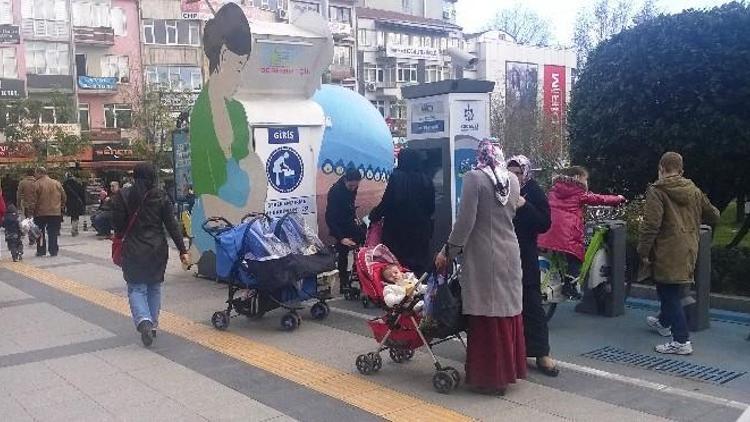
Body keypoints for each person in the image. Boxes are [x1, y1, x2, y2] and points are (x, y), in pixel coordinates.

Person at [435, 140, 526, 396]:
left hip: (485, 256)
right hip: (510, 251)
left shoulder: (475, 178)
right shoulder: (512, 180)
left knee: (487, 316)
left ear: (480, 157)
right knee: (506, 313)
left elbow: (465, 222)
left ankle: (490, 378)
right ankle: (508, 372)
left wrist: (447, 251)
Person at [189, 3, 266, 265]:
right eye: (238, 67)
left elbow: (253, 163)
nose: (240, 79)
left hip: (246, 223)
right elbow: (207, 190)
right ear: (222, 56)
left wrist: (252, 210)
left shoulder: (237, 111)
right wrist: (244, 217)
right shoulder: (201, 117)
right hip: (219, 230)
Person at [638, 152, 719, 355]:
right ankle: (663, 322)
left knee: (668, 293)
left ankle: (681, 340)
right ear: (681, 171)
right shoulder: (694, 190)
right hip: (690, 247)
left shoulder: (657, 190)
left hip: (667, 249)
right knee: (671, 289)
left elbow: (651, 225)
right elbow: (714, 215)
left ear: (661, 168)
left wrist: (644, 250)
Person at [112, 163, 189, 347]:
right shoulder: (160, 196)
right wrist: (182, 250)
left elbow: (118, 225)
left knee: (136, 288)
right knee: (154, 287)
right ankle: (153, 325)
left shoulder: (123, 195)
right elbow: (172, 225)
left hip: (133, 249)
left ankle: (144, 321)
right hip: (157, 250)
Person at [538, 166, 626, 299]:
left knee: (560, 255)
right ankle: (570, 285)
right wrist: (618, 199)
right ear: (578, 177)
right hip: (566, 234)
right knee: (577, 257)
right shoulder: (578, 193)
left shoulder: (554, 190)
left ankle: (559, 280)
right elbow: (599, 199)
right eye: (586, 179)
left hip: (547, 231)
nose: (586, 182)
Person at [507, 155, 558, 377]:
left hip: (525, 255)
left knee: (532, 304)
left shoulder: (533, 190)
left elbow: (544, 223)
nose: (514, 177)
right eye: (511, 172)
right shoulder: (501, 189)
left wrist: (525, 206)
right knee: (505, 306)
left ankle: (541, 353)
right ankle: (509, 352)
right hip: (502, 255)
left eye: (518, 172)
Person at [370, 149, 435, 276]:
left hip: (397, 233)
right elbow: (431, 208)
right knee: (419, 268)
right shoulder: (426, 180)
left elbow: (386, 203)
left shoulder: (396, 178)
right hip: (420, 233)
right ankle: (418, 292)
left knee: (397, 268)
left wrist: (374, 215)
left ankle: (400, 293)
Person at [325, 168, 365, 294]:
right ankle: (343, 283)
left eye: (356, 185)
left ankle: (360, 274)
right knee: (343, 251)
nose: (353, 188)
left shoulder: (353, 187)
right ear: (345, 180)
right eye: (351, 185)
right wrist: (341, 238)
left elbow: (350, 202)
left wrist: (353, 215)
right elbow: (330, 217)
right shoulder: (335, 192)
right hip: (338, 224)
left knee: (364, 238)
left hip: (348, 221)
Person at [29, 167, 66, 257]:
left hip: (40, 213)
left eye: (35, 173)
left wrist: (31, 211)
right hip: (55, 212)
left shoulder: (36, 184)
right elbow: (64, 196)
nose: (35, 175)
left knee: (40, 232)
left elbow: (33, 200)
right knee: (53, 232)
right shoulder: (56, 183)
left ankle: (41, 250)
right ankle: (53, 251)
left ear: (39, 173)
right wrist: (61, 207)